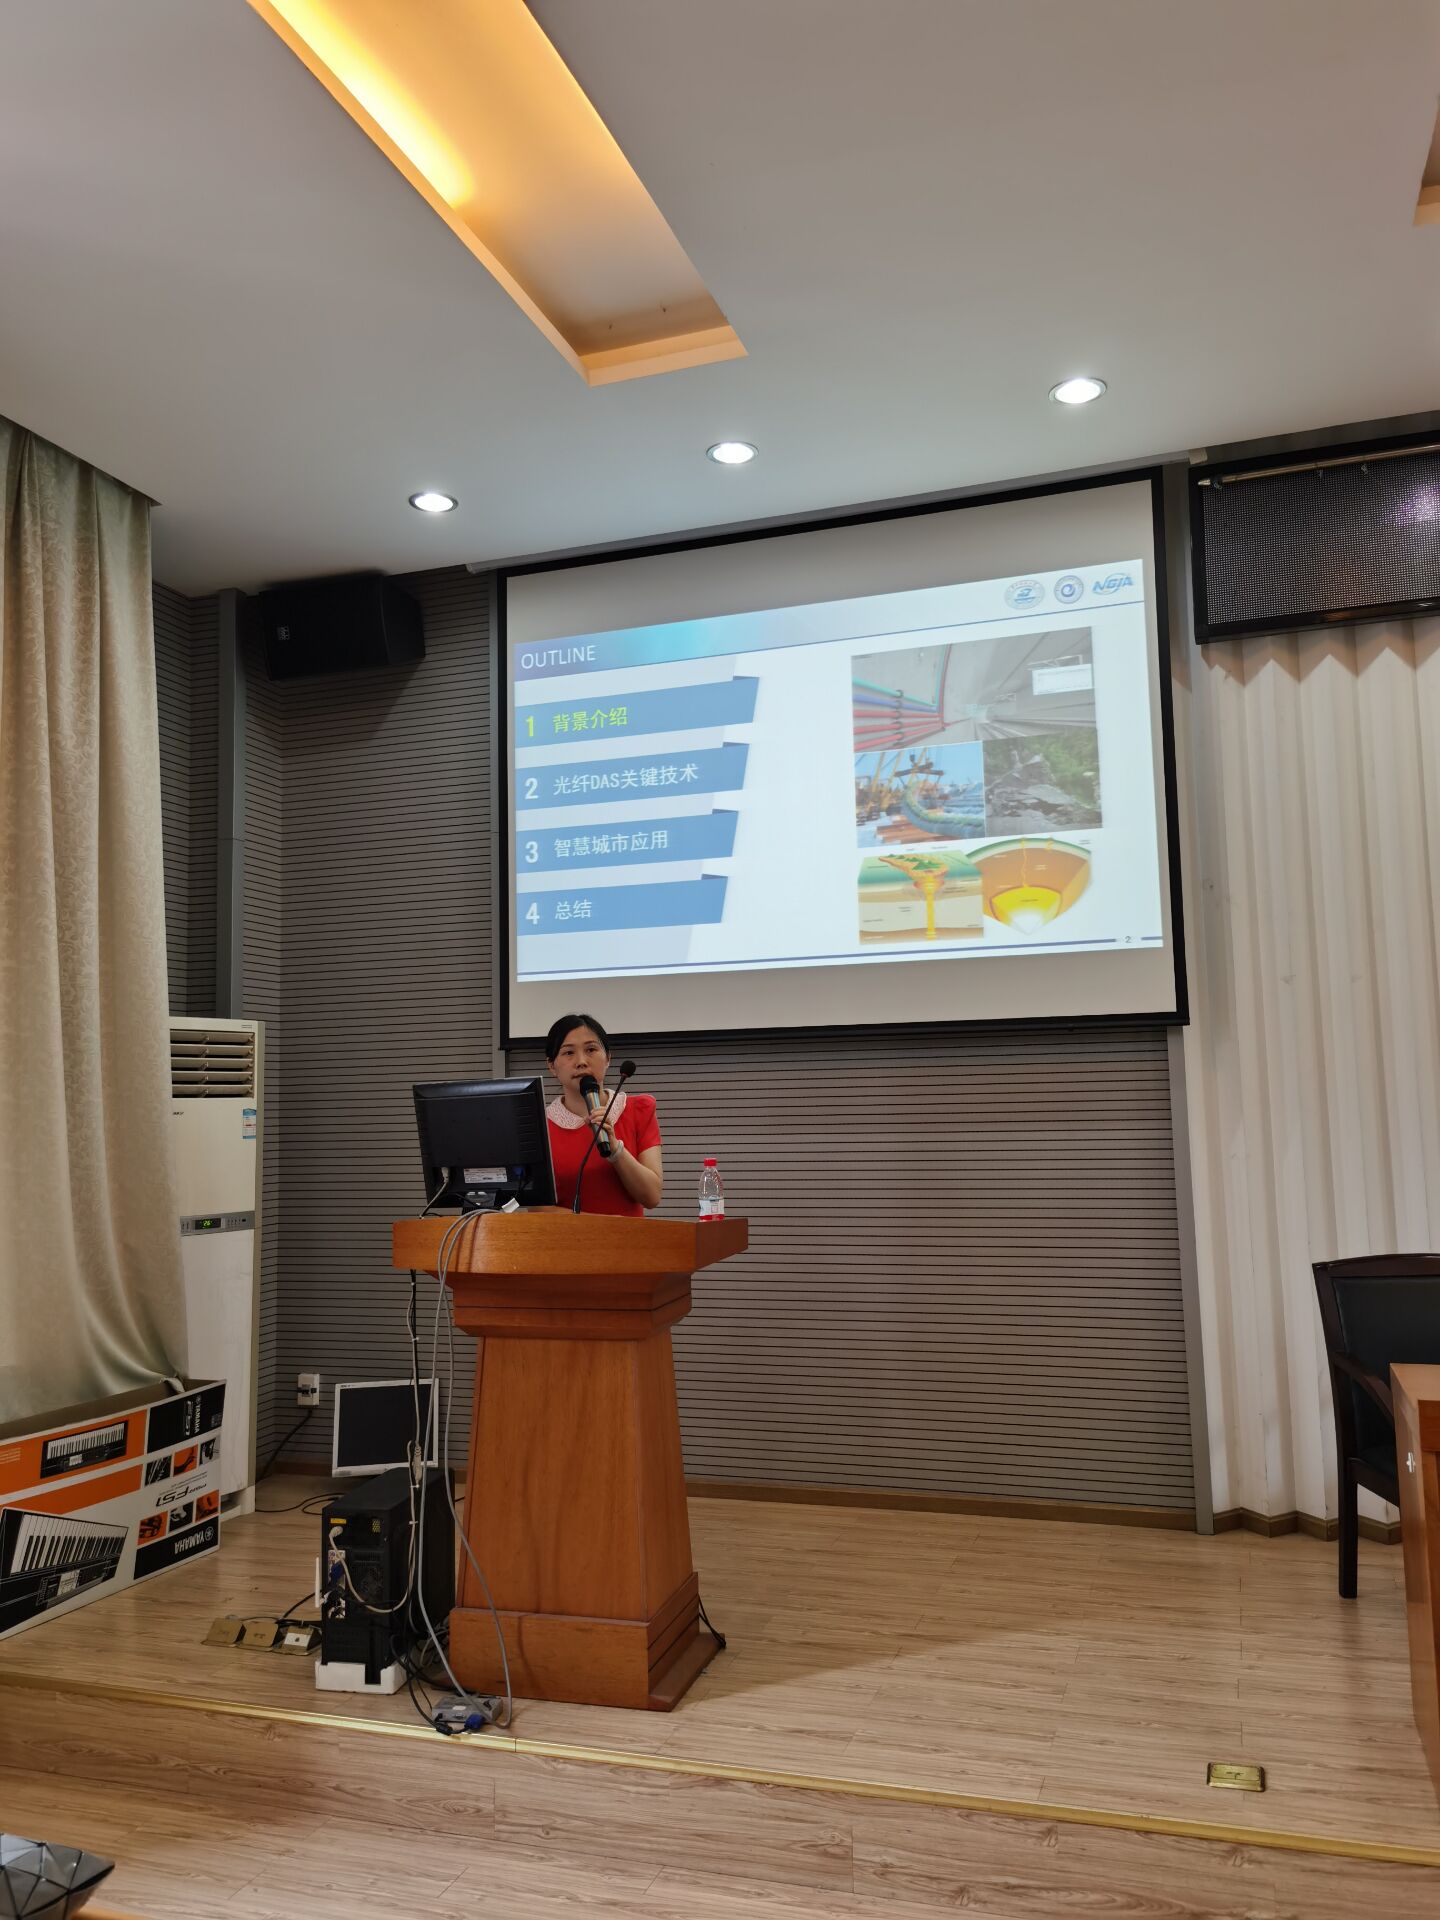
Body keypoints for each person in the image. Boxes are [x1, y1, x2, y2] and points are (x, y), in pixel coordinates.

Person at [544, 1013, 662, 1216]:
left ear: (608, 1058)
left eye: (591, 1050)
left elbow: (651, 1196)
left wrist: (616, 1151)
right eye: (569, 1052)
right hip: (565, 1237)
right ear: (552, 1066)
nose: (581, 1061)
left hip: (630, 1237)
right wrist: (603, 1227)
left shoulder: (638, 1110)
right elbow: (539, 1208)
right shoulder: (541, 1125)